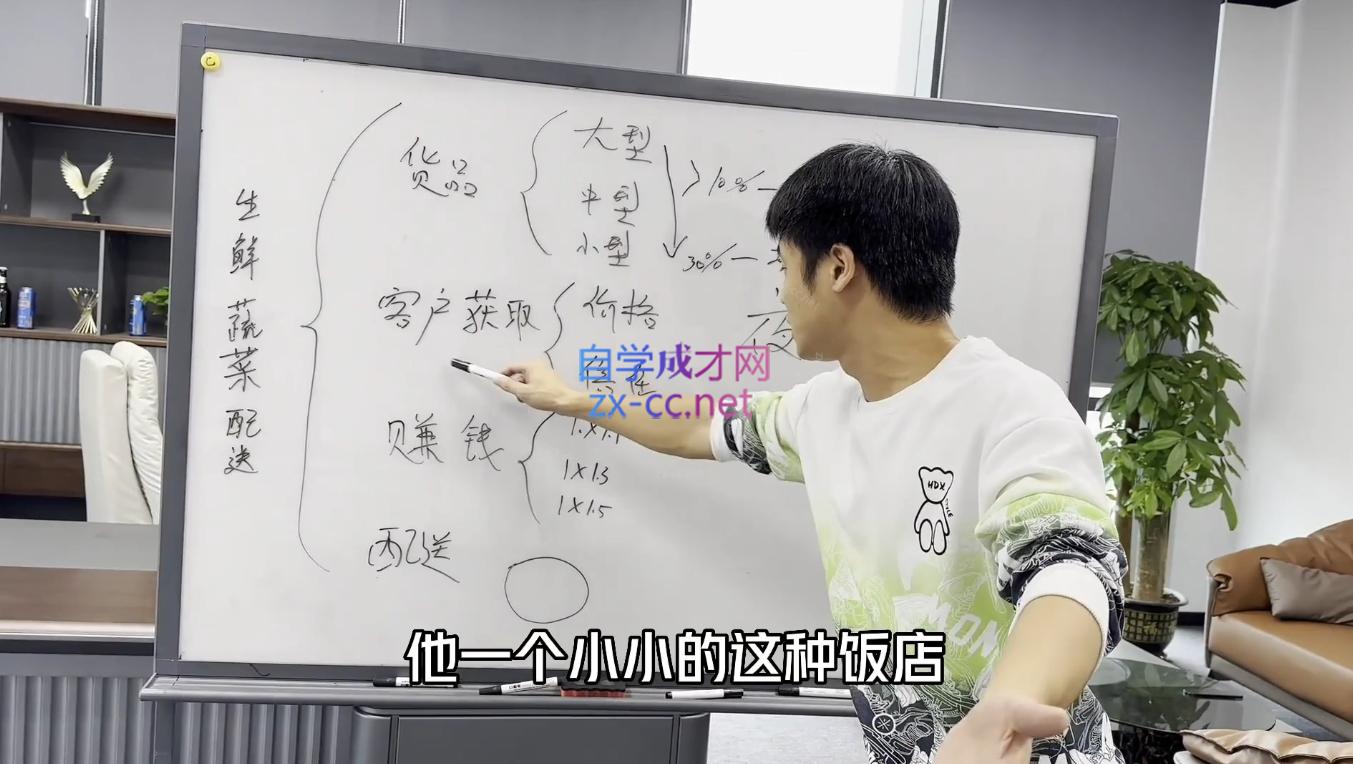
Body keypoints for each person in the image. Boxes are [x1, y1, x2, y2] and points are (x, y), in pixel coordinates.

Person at [497, 143, 1127, 764]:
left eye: (783, 265)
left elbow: (1070, 570)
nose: (780, 291)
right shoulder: (823, 408)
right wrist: (574, 400)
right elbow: (701, 426)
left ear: (838, 267)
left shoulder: (1016, 405)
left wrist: (1007, 710)